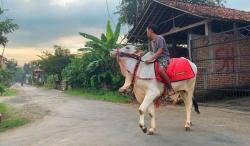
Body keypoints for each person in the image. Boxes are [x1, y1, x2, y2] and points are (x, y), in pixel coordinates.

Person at [145, 24, 175, 96]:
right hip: (157, 59)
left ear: (151, 30)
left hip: (164, 58)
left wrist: (151, 59)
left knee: (161, 70)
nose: (146, 33)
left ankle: (170, 88)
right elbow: (152, 53)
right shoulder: (152, 41)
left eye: (147, 31)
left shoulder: (159, 38)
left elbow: (159, 51)